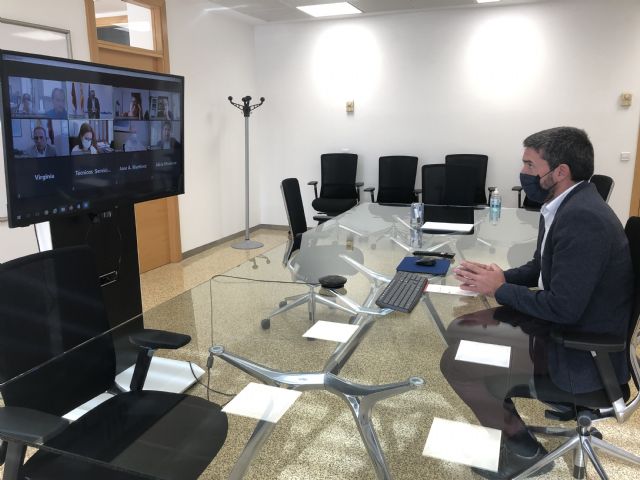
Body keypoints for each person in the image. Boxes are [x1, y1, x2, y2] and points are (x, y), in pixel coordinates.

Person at [449, 126, 634, 479]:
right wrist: (500, 276)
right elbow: (540, 267)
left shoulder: (583, 219)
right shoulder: (567, 204)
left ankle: (524, 452)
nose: (524, 173)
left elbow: (563, 307)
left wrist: (500, 288)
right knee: (463, 330)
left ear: (560, 171)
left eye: (530, 165)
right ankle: (509, 432)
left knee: (458, 364)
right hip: (574, 329)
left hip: (581, 354)